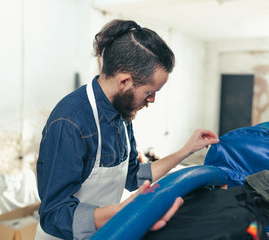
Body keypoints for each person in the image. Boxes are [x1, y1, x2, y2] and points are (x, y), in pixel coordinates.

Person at [35, 19, 220, 240]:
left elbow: (133, 176)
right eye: (150, 92)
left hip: (108, 232)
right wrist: (125, 213)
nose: (152, 99)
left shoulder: (121, 114)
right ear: (124, 82)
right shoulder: (70, 123)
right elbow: (53, 214)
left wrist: (186, 150)